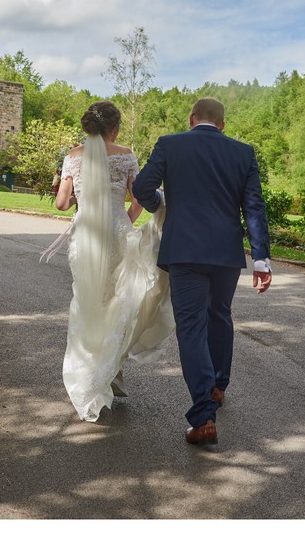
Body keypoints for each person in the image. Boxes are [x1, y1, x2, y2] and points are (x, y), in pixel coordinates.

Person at [132, 97, 272, 445]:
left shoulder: (170, 144)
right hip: (225, 253)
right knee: (220, 315)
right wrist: (261, 260)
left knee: (191, 326)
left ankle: (203, 417)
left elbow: (141, 188)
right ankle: (218, 387)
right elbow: (253, 207)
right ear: (222, 124)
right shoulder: (244, 153)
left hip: (184, 250)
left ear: (192, 119)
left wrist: (161, 207)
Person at [47, 101, 175, 422]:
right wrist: (126, 221)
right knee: (119, 303)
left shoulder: (73, 157)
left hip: (86, 237)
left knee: (88, 302)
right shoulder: (126, 154)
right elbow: (139, 199)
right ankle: (112, 372)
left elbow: (62, 204)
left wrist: (79, 195)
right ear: (115, 127)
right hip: (117, 236)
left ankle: (91, 369)